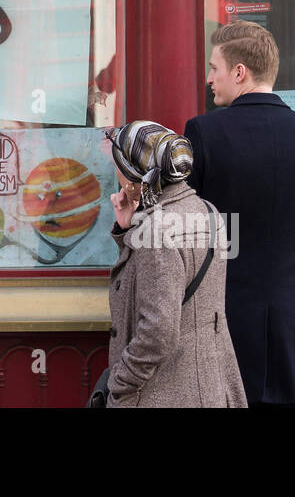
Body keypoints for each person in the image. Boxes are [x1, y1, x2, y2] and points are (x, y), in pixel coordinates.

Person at [183, 21, 295, 407]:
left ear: (239, 72)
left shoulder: (204, 132)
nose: (209, 78)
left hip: (220, 320)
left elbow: (187, 222)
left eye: (214, 68)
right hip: (289, 323)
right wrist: (289, 235)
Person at [95, 120, 246, 408]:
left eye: (117, 164)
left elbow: (158, 333)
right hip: (208, 386)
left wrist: (120, 382)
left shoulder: (157, 231)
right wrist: (130, 228)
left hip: (163, 393)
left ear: (130, 176)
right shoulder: (208, 213)